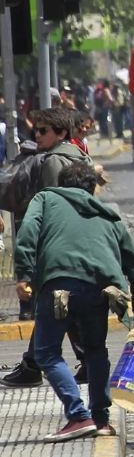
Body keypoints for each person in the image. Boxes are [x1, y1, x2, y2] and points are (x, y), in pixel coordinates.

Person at [15, 162, 134, 441]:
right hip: (99, 290)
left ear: (63, 183)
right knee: (95, 350)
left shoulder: (45, 198)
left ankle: (79, 416)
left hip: (58, 287)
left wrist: (24, 274)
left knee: (47, 353)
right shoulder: (109, 216)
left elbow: (28, 232)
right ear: (93, 187)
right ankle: (101, 420)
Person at [0, 107, 94, 387]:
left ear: (61, 133)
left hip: (56, 243)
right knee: (56, 305)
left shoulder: (53, 162)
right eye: (36, 131)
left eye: (43, 131)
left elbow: (53, 205)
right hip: (75, 240)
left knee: (53, 304)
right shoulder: (79, 156)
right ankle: (69, 361)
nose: (37, 136)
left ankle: (36, 365)